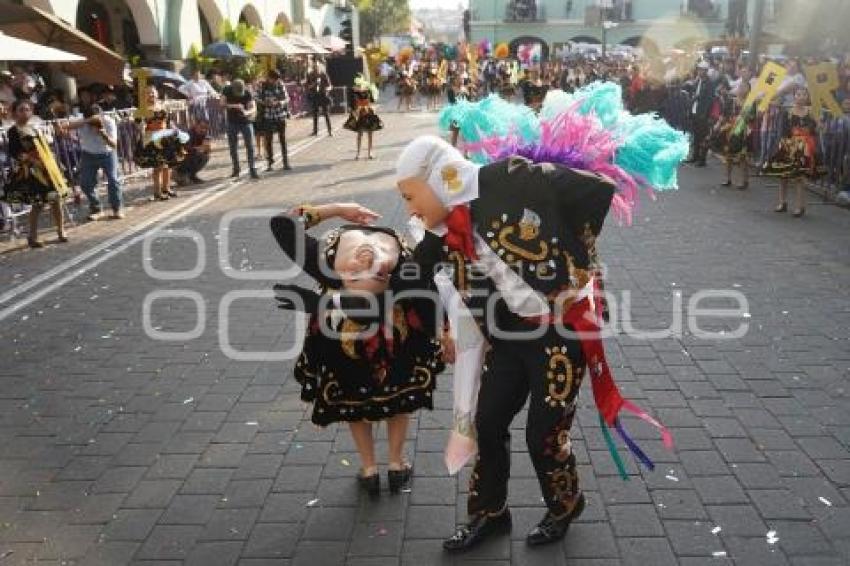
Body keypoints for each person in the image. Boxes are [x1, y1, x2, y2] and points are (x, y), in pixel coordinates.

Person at [270, 202, 446, 496]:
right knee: (374, 400)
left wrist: (336, 210)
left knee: (373, 401)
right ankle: (389, 464)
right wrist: (339, 208)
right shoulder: (397, 267)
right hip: (371, 337)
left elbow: (283, 222)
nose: (368, 251)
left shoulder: (336, 262)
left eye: (379, 245)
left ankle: (376, 466)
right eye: (356, 245)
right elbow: (282, 224)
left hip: (371, 337)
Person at [3, 99, 68, 248]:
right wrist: (33, 161)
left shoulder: (35, 128)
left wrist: (50, 162)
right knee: (38, 204)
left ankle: (61, 230)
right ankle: (32, 236)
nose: (25, 112)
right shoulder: (13, 131)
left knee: (56, 199)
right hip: (31, 172)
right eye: (21, 109)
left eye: (27, 109)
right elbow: (15, 152)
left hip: (47, 169)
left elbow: (45, 145)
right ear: (15, 113)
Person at [764, 85, 821, 217]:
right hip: (789, 145)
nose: (801, 97)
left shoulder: (812, 113)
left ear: (808, 97)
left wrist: (817, 126)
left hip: (805, 148)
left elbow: (815, 131)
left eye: (804, 94)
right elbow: (784, 131)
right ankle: (782, 202)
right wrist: (786, 144)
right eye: (798, 94)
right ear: (794, 97)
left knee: (800, 177)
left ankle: (800, 206)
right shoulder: (788, 112)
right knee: (784, 175)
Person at [64, 104, 124, 220]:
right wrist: (86, 122)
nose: (93, 124)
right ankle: (96, 208)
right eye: (91, 121)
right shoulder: (83, 122)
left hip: (107, 153)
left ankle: (117, 209)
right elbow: (64, 127)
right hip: (88, 154)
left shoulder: (108, 121)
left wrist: (103, 134)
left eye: (96, 119)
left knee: (113, 180)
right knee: (85, 183)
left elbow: (114, 145)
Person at [135, 86, 188, 200]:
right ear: (144, 96)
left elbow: (168, 121)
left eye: (153, 93)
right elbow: (138, 125)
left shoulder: (162, 105)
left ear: (157, 94)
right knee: (158, 166)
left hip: (165, 138)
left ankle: (166, 188)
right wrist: (142, 126)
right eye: (148, 93)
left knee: (168, 165)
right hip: (152, 139)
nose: (151, 95)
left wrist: (175, 131)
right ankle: (157, 192)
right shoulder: (142, 109)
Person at [222, 78, 259, 179]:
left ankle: (252, 169)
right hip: (232, 122)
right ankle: (236, 169)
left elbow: (253, 107)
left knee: (250, 146)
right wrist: (233, 106)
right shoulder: (227, 90)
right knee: (233, 147)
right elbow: (222, 104)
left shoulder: (247, 93)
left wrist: (247, 112)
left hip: (245, 122)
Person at [256, 69, 292, 172]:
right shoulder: (262, 85)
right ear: (269, 78)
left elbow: (287, 98)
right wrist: (265, 102)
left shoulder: (280, 84)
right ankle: (270, 163)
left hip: (280, 115)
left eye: (276, 79)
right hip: (267, 116)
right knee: (268, 140)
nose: (275, 81)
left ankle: (286, 162)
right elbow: (255, 97)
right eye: (273, 79)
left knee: (283, 139)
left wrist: (279, 102)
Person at [684, 61, 717, 167]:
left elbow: (710, 100)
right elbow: (694, 93)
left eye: (702, 69)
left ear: (706, 71)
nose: (699, 71)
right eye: (699, 69)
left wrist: (705, 114)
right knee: (696, 136)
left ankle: (702, 159)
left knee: (703, 137)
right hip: (695, 110)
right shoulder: (698, 81)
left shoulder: (710, 83)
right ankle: (695, 156)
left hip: (703, 113)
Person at [344, 75, 383, 160]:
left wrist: (373, 97)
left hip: (368, 112)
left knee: (370, 133)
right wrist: (354, 112)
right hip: (359, 114)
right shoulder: (353, 92)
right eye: (357, 85)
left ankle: (370, 152)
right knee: (359, 133)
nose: (359, 87)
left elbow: (372, 100)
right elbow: (351, 105)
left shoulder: (368, 90)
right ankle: (358, 153)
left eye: (360, 85)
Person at [174, 118, 211, 186]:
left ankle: (192, 175)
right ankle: (180, 174)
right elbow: (185, 149)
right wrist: (198, 148)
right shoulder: (188, 134)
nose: (203, 129)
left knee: (205, 156)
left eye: (206, 128)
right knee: (195, 154)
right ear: (196, 125)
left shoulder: (204, 134)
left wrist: (206, 147)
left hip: (190, 155)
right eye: (202, 127)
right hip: (179, 159)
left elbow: (206, 148)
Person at [304, 61, 333, 136]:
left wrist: (327, 89)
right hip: (315, 95)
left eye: (317, 67)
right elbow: (306, 86)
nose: (316, 68)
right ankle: (315, 131)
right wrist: (312, 85)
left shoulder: (323, 74)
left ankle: (330, 130)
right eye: (314, 67)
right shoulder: (310, 75)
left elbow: (330, 86)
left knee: (326, 113)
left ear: (319, 67)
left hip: (323, 95)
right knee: (315, 114)